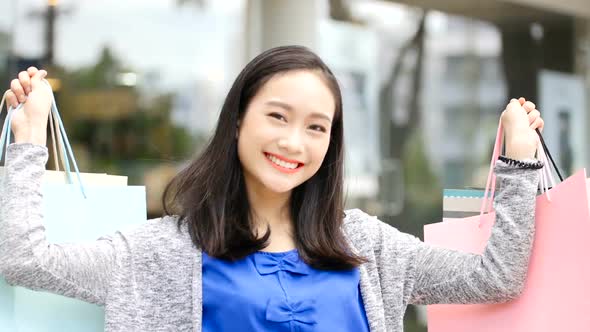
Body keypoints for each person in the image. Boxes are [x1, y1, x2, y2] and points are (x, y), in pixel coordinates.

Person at [0, 46, 544, 332]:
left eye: (316, 127)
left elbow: (493, 278)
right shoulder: (161, 252)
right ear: (238, 120)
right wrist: (27, 143)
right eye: (277, 116)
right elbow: (25, 259)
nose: (294, 142)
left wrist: (518, 163)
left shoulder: (368, 247)